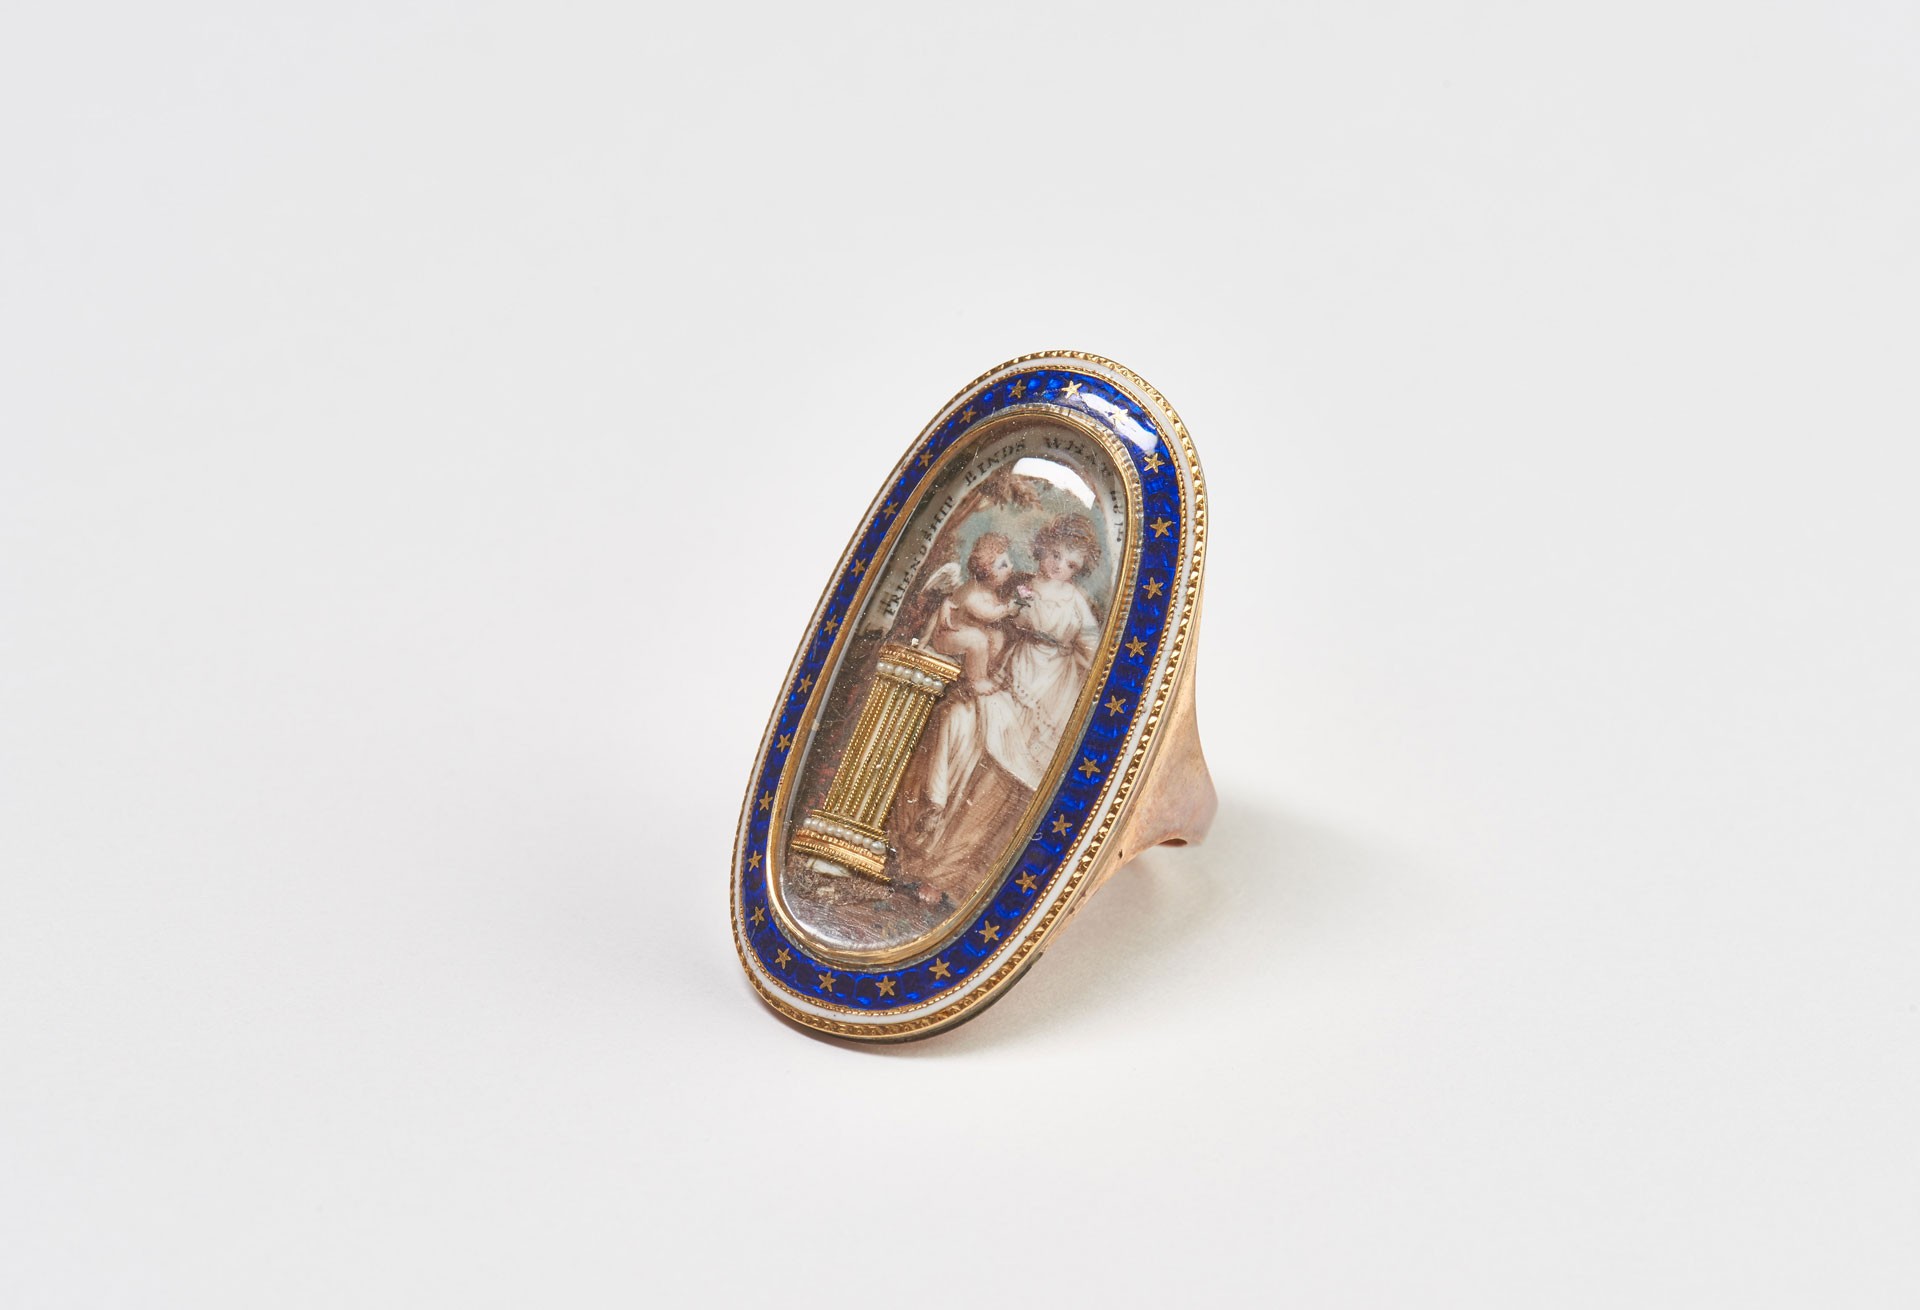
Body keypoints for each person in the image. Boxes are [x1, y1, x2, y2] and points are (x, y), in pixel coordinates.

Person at [891, 511, 1104, 905]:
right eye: (1055, 555)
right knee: (963, 733)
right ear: (1043, 547)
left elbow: (1092, 649)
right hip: (1006, 672)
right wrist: (949, 606)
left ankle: (951, 875)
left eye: (1071, 564)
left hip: (1048, 692)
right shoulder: (1019, 583)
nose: (1059, 567)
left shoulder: (1075, 602)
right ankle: (926, 850)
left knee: (1001, 774)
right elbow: (978, 602)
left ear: (1079, 569)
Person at [924, 533, 1032, 694]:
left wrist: (1013, 607)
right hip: (948, 636)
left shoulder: (989, 589)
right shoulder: (972, 593)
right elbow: (986, 614)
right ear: (986, 571)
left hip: (965, 631)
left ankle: (979, 670)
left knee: (997, 637)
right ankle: (977, 680)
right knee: (978, 640)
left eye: (1008, 562)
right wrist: (1007, 609)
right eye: (1003, 565)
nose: (1010, 567)